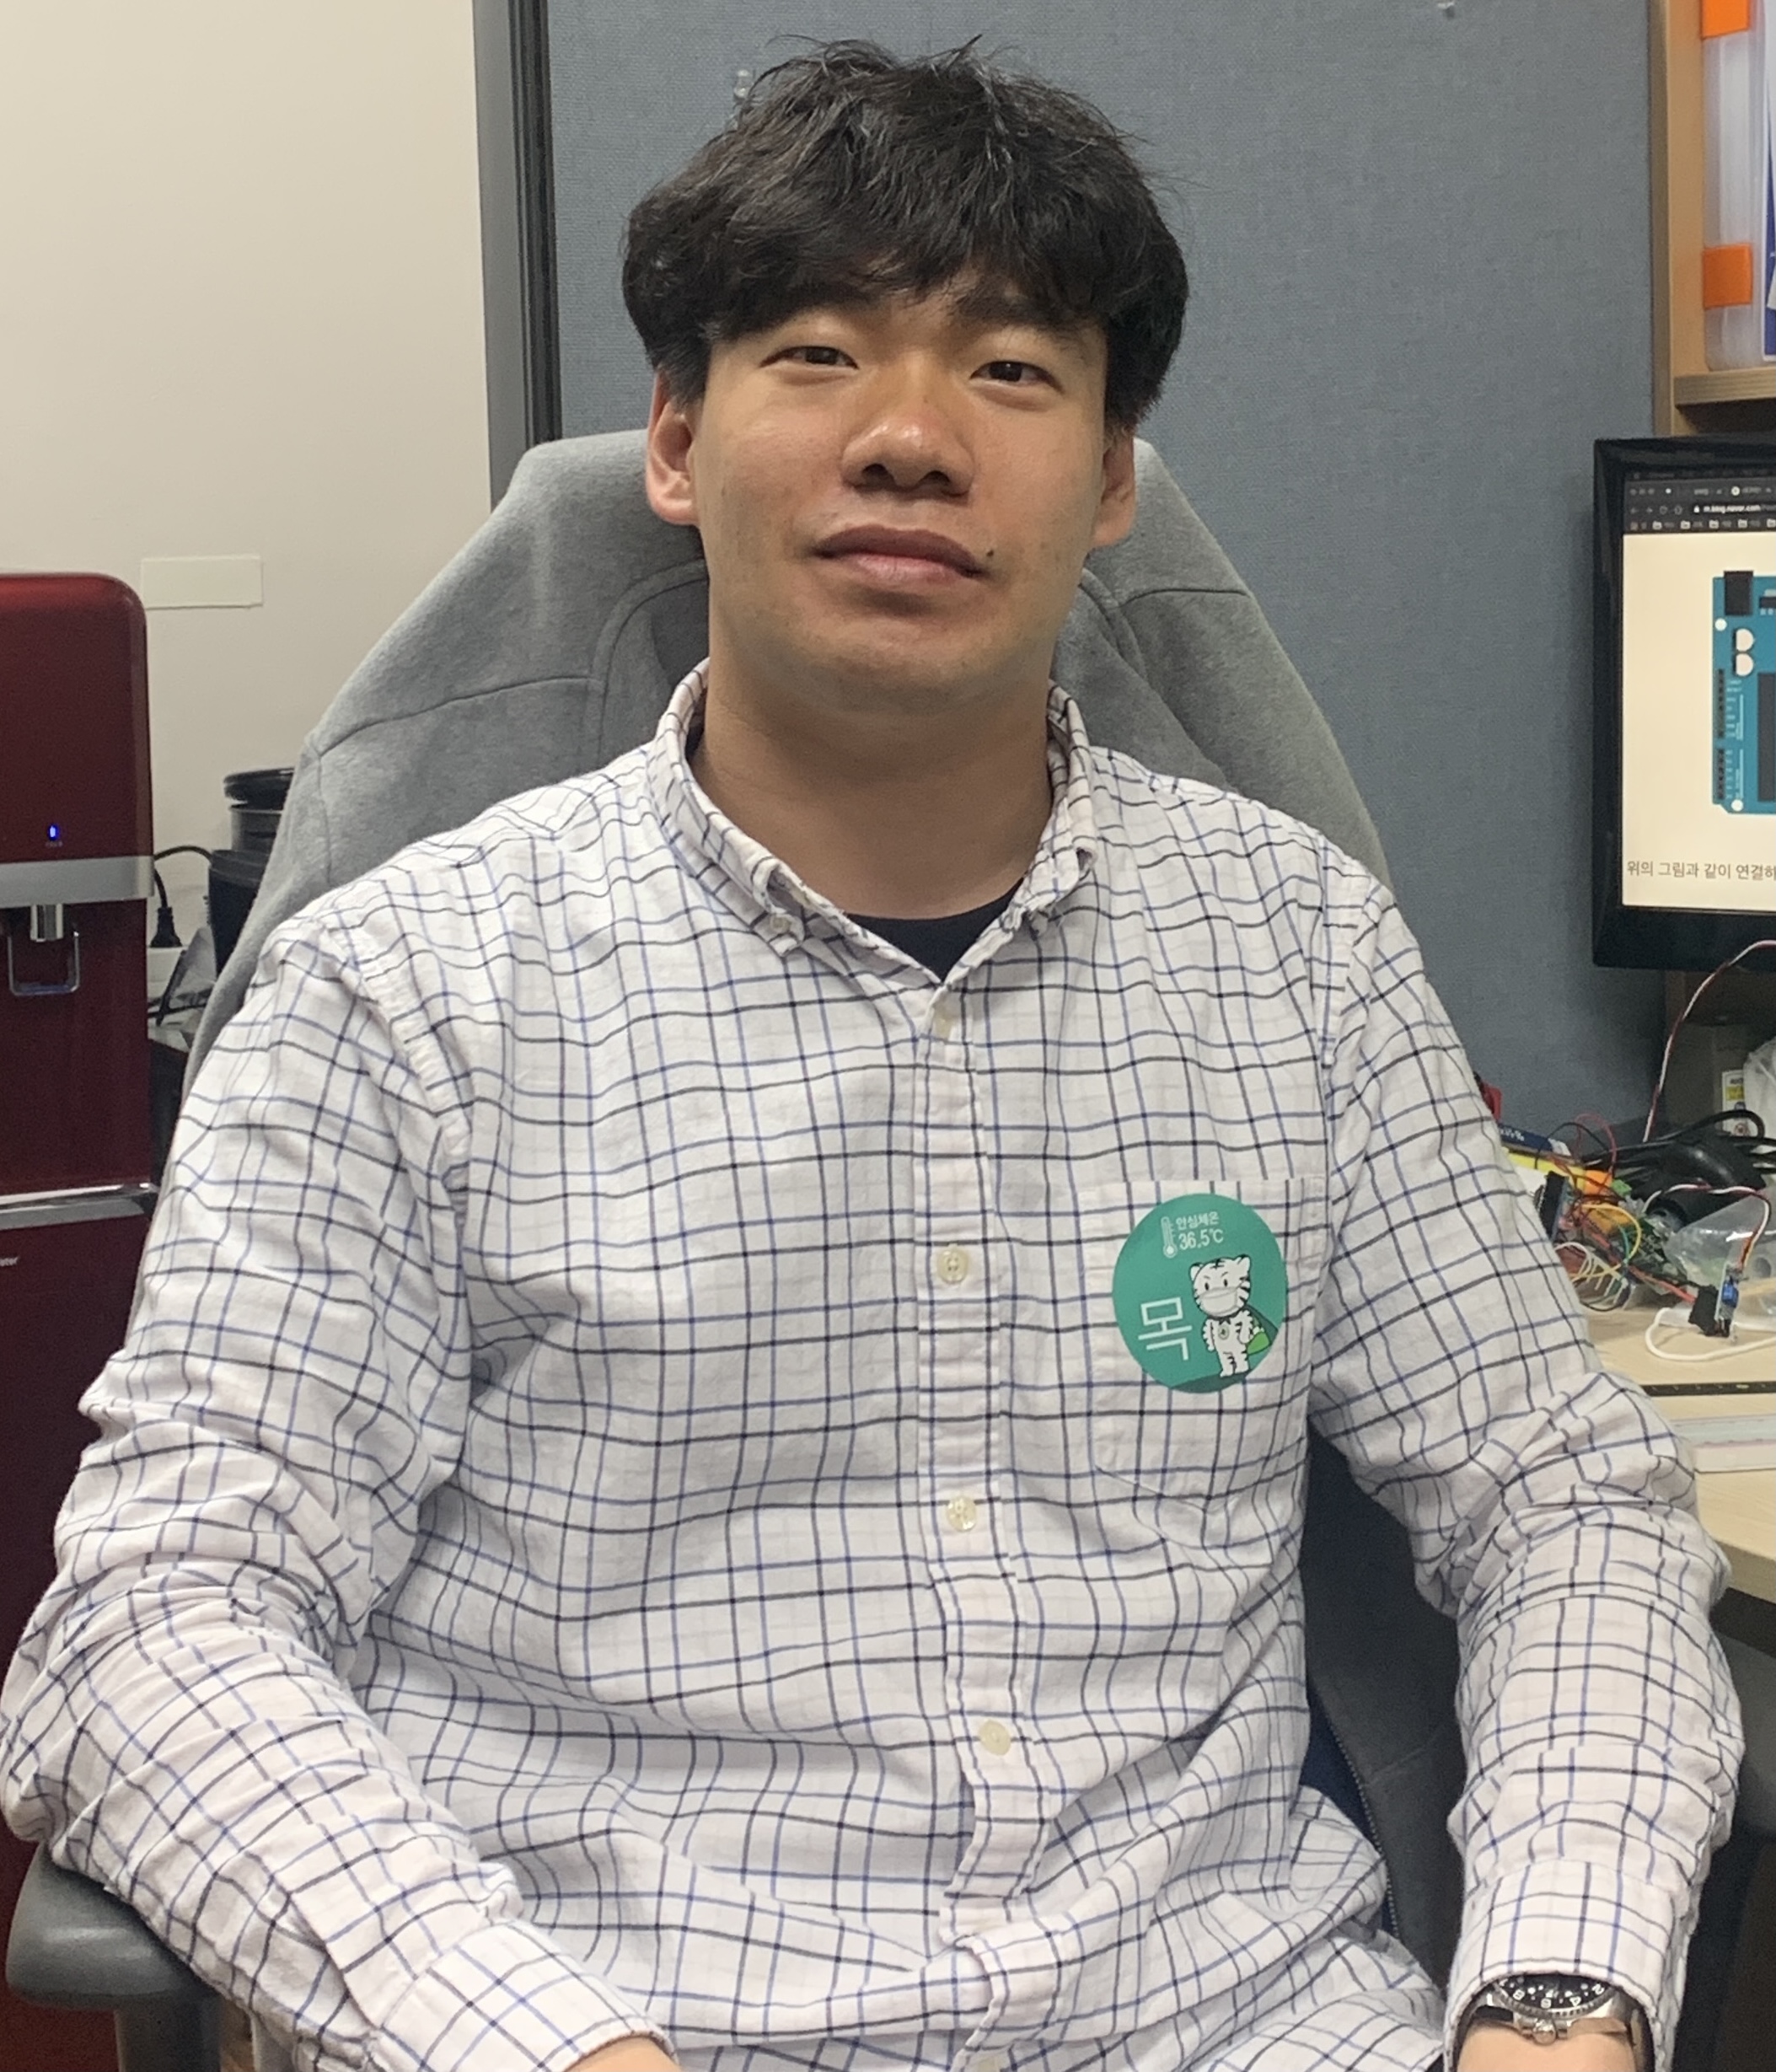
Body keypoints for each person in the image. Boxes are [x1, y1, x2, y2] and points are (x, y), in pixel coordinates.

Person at [0, 43, 1740, 2072]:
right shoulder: (405, 993)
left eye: (1008, 369)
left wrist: (1553, 1993)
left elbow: (1561, 1497)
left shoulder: (1297, 953)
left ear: (1111, 482)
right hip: (620, 2018)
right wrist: (543, 2044)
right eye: (819, 354)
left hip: (1232, 2016)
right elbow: (159, 1619)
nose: (910, 439)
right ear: (674, 439)